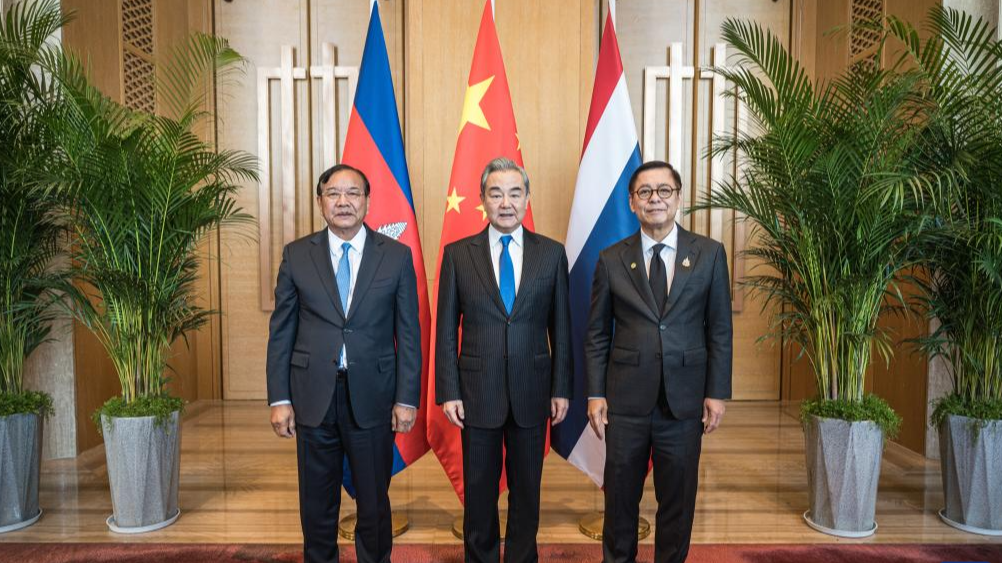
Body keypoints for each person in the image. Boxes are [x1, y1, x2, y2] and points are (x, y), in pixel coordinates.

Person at [266, 163, 421, 563]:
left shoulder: (397, 257)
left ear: (367, 202)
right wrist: (279, 398)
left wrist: (407, 398)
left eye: (353, 193)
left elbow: (408, 333)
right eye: (334, 194)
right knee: (317, 505)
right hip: (313, 397)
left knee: (373, 503)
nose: (344, 202)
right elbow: (281, 331)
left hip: (373, 396)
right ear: (320, 203)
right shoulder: (297, 255)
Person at [585, 160, 733, 563]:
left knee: (678, 503)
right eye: (645, 192)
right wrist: (595, 393)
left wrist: (716, 393)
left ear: (678, 199)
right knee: (619, 504)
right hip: (625, 403)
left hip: (683, 403)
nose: (655, 199)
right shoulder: (611, 259)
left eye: (664, 191)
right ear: (632, 203)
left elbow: (719, 330)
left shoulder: (710, 255)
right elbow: (597, 334)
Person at [436, 157, 572, 563]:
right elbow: (445, 329)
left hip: (533, 391)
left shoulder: (551, 254)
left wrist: (561, 387)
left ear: (527, 199)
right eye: (496, 193)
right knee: (479, 493)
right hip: (477, 393)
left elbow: (561, 328)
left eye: (515, 193)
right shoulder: (459, 255)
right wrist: (448, 390)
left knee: (527, 491)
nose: (506, 202)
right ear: (482, 200)